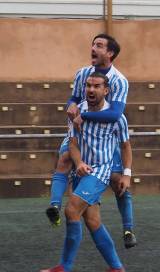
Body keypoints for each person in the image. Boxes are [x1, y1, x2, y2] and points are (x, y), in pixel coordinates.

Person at [46, 33, 137, 249]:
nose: (93, 48)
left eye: (99, 45)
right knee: (65, 159)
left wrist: (83, 115)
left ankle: (128, 229)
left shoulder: (119, 81)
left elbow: (115, 114)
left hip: (104, 140)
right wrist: (70, 105)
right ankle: (55, 207)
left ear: (110, 53)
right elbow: (75, 98)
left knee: (119, 183)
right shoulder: (82, 74)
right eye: (93, 44)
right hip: (81, 132)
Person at [40, 72, 129, 272]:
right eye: (88, 85)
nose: (90, 89)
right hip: (82, 171)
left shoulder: (117, 118)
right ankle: (117, 267)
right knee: (93, 221)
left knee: (71, 210)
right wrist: (78, 163)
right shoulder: (75, 112)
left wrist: (126, 174)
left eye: (96, 86)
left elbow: (126, 147)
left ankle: (64, 268)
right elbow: (72, 144)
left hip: (100, 172)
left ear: (106, 90)